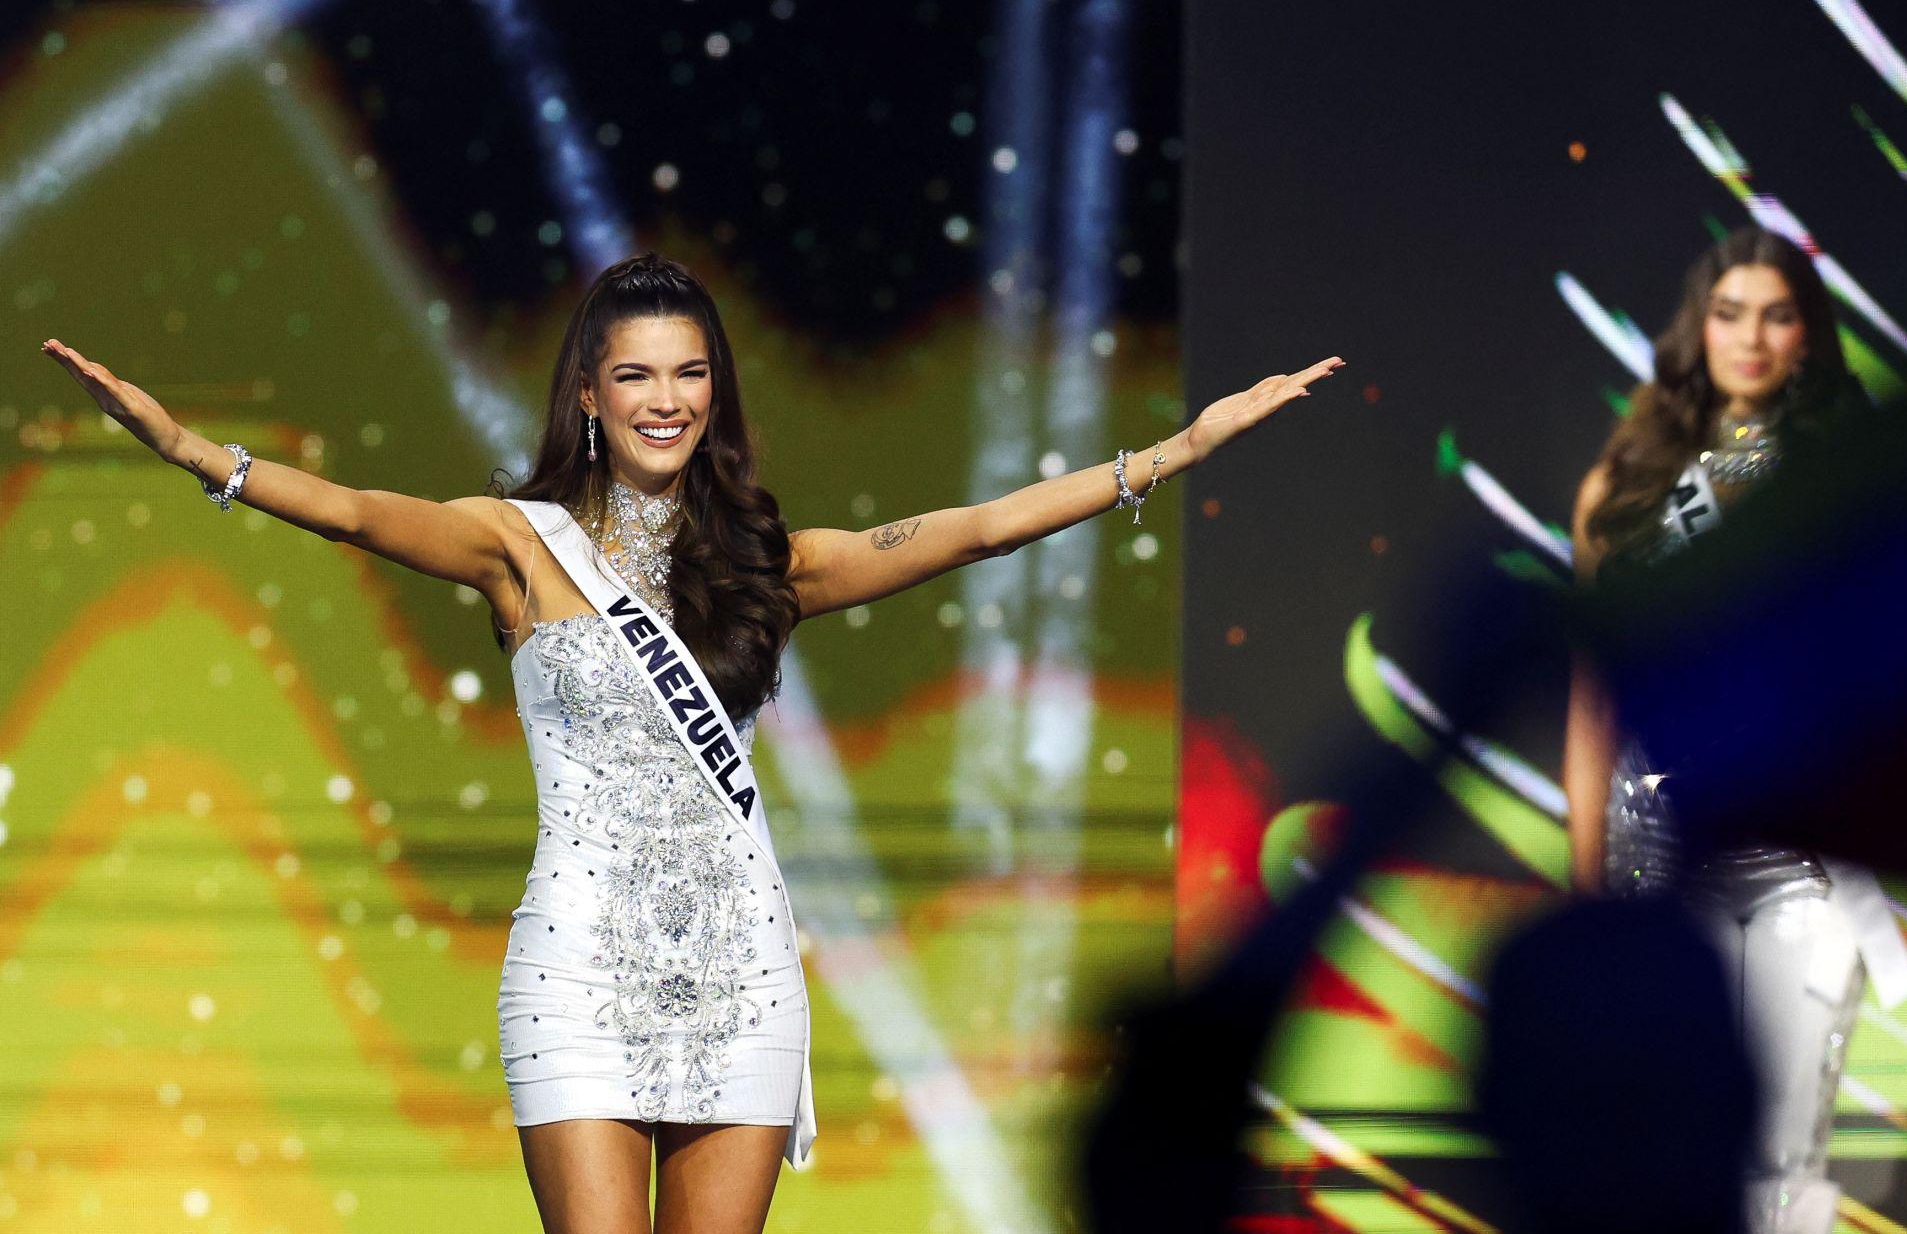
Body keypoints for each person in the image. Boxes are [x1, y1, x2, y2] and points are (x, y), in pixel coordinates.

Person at [41, 251, 1341, 1234]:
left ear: (713, 394)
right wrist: (188, 450)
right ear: (591, 396)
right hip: (581, 969)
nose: (665, 397)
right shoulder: (516, 545)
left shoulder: (771, 564)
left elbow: (979, 527)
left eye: (689, 371)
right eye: (636, 374)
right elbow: (352, 509)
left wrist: (1173, 450)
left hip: (743, 984)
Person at [1562, 226, 1907, 1234]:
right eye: (1729, 313)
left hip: (1805, 858)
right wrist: (1587, 886)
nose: (1751, 337)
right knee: (1665, 1148)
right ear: (1697, 330)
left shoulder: (1843, 477)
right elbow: (1593, 703)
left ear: (1809, 331)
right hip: (1657, 858)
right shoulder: (1618, 489)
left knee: (1784, 1150)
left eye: (1777, 313)